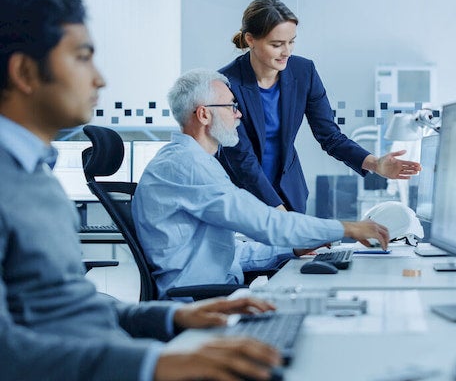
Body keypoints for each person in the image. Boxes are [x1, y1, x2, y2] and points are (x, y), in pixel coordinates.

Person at [0, 0, 285, 380]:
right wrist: (153, 364)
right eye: (82, 58)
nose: (100, 79)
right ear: (25, 73)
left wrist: (175, 316)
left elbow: (72, 306)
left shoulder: (36, 178)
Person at [132, 69, 390, 299]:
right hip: (200, 302)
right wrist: (347, 228)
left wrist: (293, 247)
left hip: (215, 291)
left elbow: (230, 254)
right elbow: (264, 224)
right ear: (204, 114)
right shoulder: (187, 167)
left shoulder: (197, 162)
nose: (239, 114)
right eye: (231, 106)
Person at [217, 0, 422, 213]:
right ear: (250, 40)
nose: (287, 51)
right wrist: (285, 222)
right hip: (243, 195)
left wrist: (375, 163)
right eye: (276, 44)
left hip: (289, 193)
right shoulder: (226, 83)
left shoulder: (303, 72)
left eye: (291, 41)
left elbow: (330, 136)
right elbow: (242, 159)